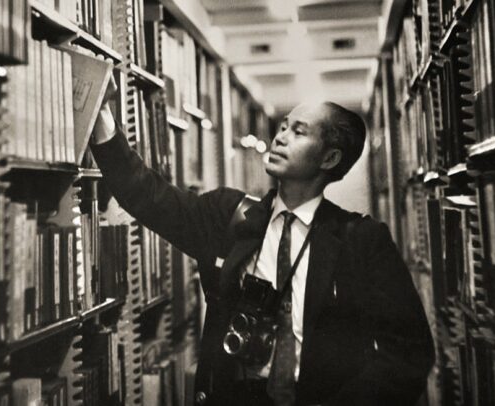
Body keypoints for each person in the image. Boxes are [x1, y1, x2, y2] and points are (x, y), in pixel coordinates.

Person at [90, 97, 434, 406]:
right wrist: (101, 117)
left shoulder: (362, 241)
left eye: (299, 132)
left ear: (329, 157)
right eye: (283, 127)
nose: (280, 136)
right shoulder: (230, 216)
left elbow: (408, 354)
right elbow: (151, 199)